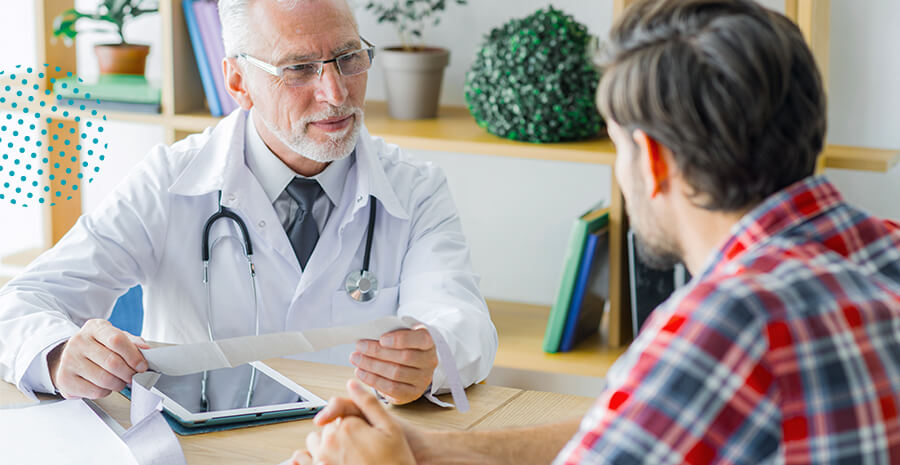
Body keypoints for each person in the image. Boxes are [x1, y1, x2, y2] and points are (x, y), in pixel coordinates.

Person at [290, 0, 900, 463]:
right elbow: (640, 423)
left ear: (654, 162)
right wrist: (428, 451)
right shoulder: (882, 251)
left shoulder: (724, 323)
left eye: (616, 145)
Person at [0, 0, 497, 406]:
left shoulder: (416, 188)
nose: (336, 91)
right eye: (299, 68)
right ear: (238, 82)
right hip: (206, 453)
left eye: (349, 57)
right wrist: (59, 354)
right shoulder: (168, 181)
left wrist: (434, 354)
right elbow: (19, 306)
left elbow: (463, 317)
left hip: (355, 450)